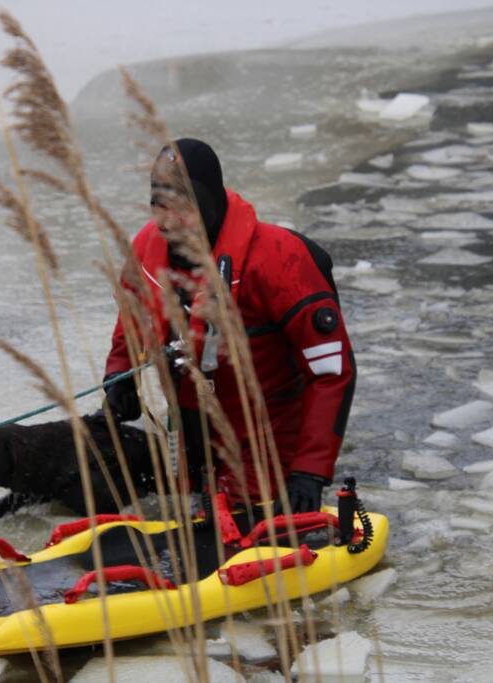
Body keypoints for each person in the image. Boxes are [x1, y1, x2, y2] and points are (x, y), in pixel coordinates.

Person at [103, 138, 355, 514]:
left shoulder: (279, 260)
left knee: (242, 516)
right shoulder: (145, 248)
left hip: (266, 443)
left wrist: (310, 471)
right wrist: (120, 374)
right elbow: (133, 315)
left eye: (179, 208)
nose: (164, 221)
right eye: (157, 206)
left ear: (207, 203)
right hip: (189, 440)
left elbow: (331, 373)